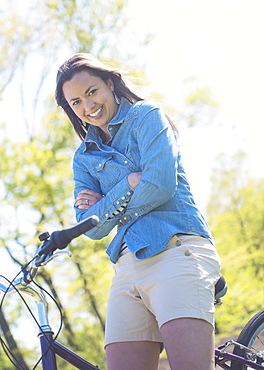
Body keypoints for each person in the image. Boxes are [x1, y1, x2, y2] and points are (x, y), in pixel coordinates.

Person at [55, 53, 221, 370]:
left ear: (109, 83)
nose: (87, 106)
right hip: (126, 268)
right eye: (75, 102)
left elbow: (159, 184)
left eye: (92, 92)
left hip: (175, 249)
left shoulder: (147, 116)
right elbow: (89, 229)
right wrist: (128, 185)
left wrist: (107, 204)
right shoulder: (83, 158)